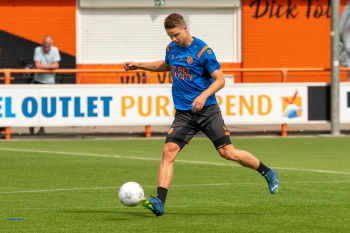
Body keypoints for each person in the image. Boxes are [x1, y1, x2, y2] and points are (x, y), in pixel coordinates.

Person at [123, 13, 280, 217]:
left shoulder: (203, 51)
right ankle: (159, 202)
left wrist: (204, 95)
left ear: (185, 28)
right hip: (184, 114)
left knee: (228, 153)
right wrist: (139, 65)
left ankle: (268, 172)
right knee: (168, 152)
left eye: (176, 35)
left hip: (207, 111)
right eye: (170, 36)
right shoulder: (171, 48)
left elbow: (220, 80)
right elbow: (166, 64)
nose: (173, 39)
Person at [30, 35, 61, 134]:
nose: (46, 45)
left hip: (50, 82)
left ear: (51, 44)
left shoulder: (55, 50)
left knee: (46, 107)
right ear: (42, 43)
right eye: (45, 43)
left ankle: (42, 128)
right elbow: (37, 65)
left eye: (48, 43)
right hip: (38, 81)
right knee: (35, 105)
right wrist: (50, 67)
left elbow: (56, 65)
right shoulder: (38, 50)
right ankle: (31, 126)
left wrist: (43, 67)